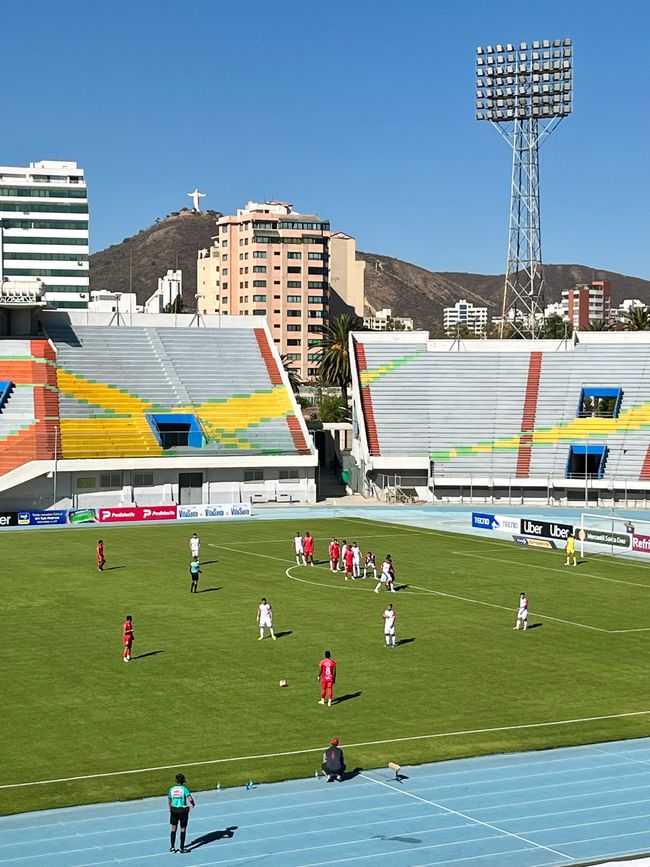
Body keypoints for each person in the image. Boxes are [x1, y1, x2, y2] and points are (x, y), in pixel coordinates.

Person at [168, 772, 196, 854]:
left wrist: (170, 808)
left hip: (174, 809)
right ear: (183, 781)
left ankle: (172, 847)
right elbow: (190, 798)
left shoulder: (172, 789)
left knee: (173, 828)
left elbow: (169, 799)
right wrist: (193, 805)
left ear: (176, 781)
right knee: (183, 829)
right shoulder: (184, 789)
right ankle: (181, 848)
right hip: (182, 810)